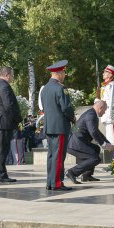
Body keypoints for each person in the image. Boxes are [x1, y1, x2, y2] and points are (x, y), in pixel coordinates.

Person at [40, 60, 75, 191]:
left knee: (51, 156)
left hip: (50, 127)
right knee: (59, 156)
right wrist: (73, 118)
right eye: (64, 72)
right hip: (60, 126)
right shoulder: (61, 88)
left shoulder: (44, 89)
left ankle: (50, 182)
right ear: (59, 73)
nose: (64, 75)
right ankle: (57, 183)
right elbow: (66, 108)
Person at [66, 100, 114, 184]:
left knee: (96, 149)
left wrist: (108, 143)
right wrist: (104, 145)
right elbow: (93, 132)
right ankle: (72, 172)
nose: (104, 113)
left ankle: (86, 175)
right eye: (104, 111)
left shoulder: (91, 113)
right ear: (100, 108)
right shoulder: (91, 115)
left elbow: (97, 132)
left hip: (79, 141)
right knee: (95, 159)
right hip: (75, 144)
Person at [0, 67, 22, 182]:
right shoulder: (4, 86)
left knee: (0, 149)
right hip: (3, 121)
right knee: (1, 149)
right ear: (7, 75)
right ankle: (0, 175)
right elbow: (9, 105)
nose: (12, 78)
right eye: (12, 75)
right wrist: (18, 118)